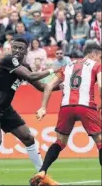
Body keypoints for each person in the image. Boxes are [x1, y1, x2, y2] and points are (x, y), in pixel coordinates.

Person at [0, 38, 60, 185]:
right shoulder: (9, 60)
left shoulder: (25, 65)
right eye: (14, 47)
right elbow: (30, 76)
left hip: (5, 108)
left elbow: (41, 87)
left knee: (28, 137)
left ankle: (41, 177)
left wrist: (62, 85)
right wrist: (53, 69)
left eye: (20, 48)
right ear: (11, 48)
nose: (17, 50)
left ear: (25, 51)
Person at [30, 43, 102, 186]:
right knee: (100, 142)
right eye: (100, 57)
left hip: (66, 107)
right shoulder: (96, 65)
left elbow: (49, 85)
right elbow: (100, 85)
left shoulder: (67, 66)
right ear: (93, 55)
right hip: (86, 106)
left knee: (60, 142)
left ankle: (43, 171)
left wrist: (43, 107)